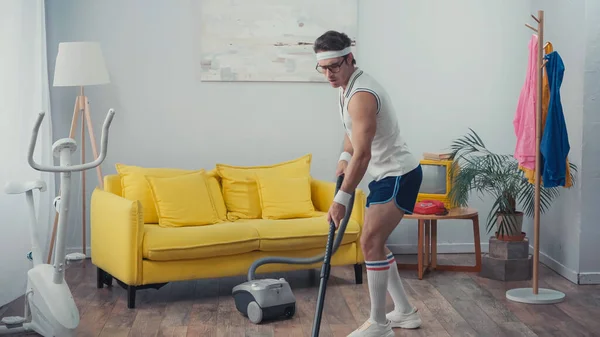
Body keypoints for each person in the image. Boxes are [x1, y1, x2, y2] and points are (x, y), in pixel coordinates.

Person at [314, 30, 423, 337]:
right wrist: (343, 156)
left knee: (369, 242)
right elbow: (353, 135)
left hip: (399, 175)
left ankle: (379, 324)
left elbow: (364, 153)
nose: (328, 74)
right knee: (375, 243)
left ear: (350, 58)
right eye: (323, 68)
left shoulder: (362, 95)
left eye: (334, 66)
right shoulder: (345, 88)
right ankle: (405, 312)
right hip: (384, 174)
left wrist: (341, 199)